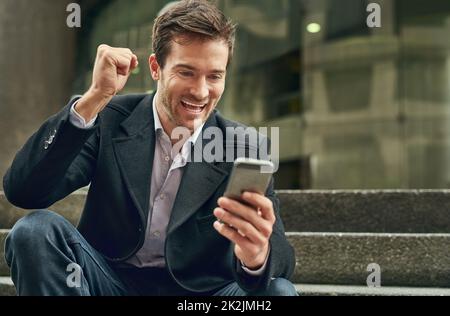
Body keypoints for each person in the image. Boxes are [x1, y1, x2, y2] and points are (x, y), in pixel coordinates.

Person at [3, 0, 297, 296]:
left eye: (214, 76)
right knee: (34, 231)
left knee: (280, 292)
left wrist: (256, 256)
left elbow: (281, 261)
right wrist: (92, 100)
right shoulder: (108, 119)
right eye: (186, 72)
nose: (201, 91)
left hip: (198, 297)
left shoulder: (243, 146)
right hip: (109, 283)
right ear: (156, 68)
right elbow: (24, 191)